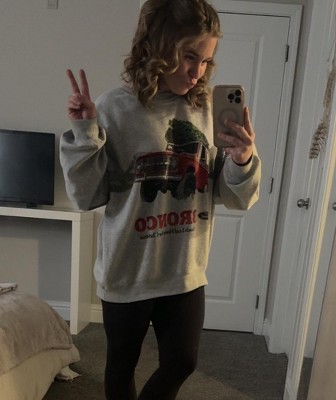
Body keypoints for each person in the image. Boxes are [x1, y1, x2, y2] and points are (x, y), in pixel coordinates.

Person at [60, 0, 261, 399]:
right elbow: (86, 195)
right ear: (159, 46)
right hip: (128, 269)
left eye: (206, 60)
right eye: (189, 56)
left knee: (182, 361)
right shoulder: (114, 107)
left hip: (184, 268)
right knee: (121, 364)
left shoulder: (207, 109)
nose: (197, 71)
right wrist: (85, 133)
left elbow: (231, 196)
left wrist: (242, 158)